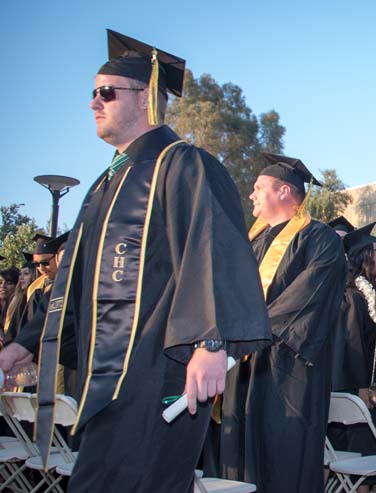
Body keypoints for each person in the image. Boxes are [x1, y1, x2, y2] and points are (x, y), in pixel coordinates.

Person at [0, 29, 271, 492]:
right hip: (104, 384)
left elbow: (212, 253)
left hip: (159, 374)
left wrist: (211, 343)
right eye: (93, 94)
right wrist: (24, 344)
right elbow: (75, 284)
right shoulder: (107, 184)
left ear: (145, 97)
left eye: (106, 92)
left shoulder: (184, 163)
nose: (93, 103)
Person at [210, 152, 347, 492]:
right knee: (238, 456)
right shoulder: (251, 241)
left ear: (284, 192)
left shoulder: (320, 239)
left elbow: (306, 298)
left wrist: (250, 331)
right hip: (239, 366)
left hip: (287, 369)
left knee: (283, 459)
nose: (252, 195)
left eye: (259, 188)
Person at [333, 222, 376, 493]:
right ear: (365, 255)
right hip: (358, 389)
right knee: (363, 455)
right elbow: (353, 345)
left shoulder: (366, 291)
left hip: (362, 385)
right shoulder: (354, 296)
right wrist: (363, 388)